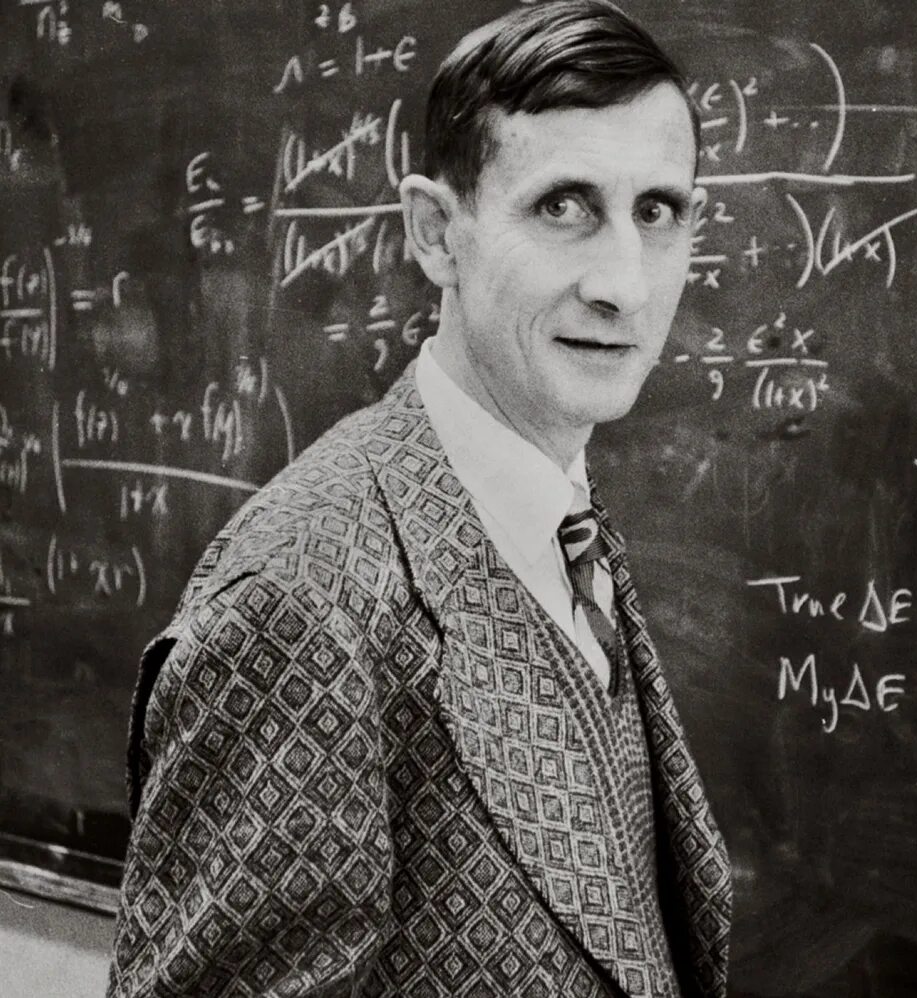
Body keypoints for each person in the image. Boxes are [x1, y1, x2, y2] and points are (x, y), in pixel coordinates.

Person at [106, 1, 731, 994]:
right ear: (437, 235)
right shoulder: (300, 603)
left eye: (657, 211)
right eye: (563, 207)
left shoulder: (562, 515)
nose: (625, 284)